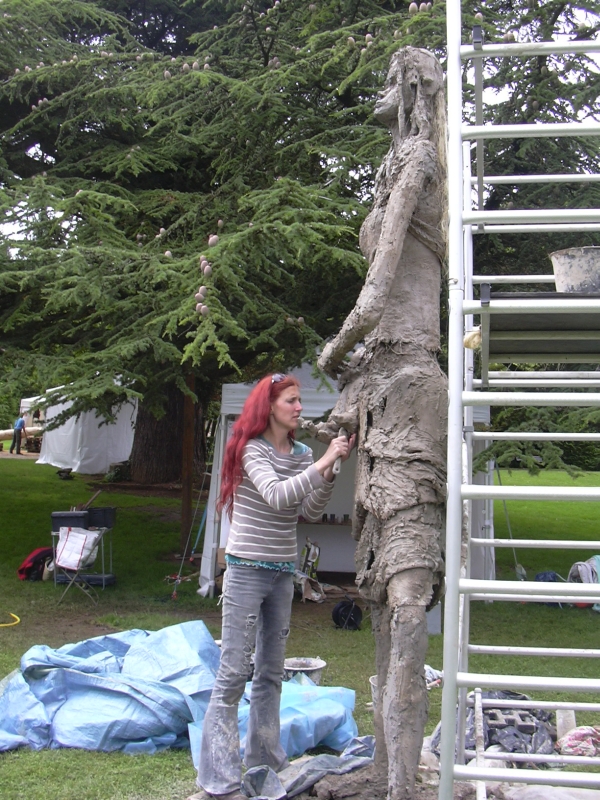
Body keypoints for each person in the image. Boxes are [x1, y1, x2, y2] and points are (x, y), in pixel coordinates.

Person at [311, 48, 447, 800]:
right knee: (374, 595)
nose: (382, 91)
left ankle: (403, 787)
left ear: (414, 89)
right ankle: (388, 771)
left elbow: (379, 283)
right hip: (377, 383)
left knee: (406, 590)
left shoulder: (420, 158)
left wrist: (331, 349)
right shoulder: (398, 161)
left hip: (409, 381)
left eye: (394, 78)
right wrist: (351, 366)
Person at [195, 373, 355, 800]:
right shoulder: (252, 451)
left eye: (300, 401)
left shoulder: (302, 452)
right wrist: (322, 463)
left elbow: (310, 509)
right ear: (269, 407)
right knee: (233, 672)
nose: (300, 408)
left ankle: (265, 759)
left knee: (270, 672)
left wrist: (329, 472)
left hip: (283, 570)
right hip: (246, 568)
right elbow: (277, 496)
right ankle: (218, 777)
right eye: (292, 401)